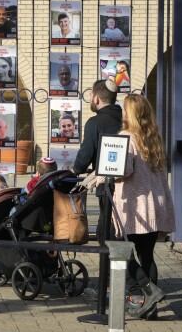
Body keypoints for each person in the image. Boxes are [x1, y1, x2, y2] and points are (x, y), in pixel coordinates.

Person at [112, 94, 176, 319]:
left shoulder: (126, 138)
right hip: (155, 205)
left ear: (129, 114)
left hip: (134, 208)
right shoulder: (153, 138)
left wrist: (106, 173)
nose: (121, 113)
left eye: (123, 109)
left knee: (120, 253)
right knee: (147, 255)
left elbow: (124, 171)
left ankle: (149, 290)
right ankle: (151, 308)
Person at [72, 80, 122, 244]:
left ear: (96, 99)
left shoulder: (95, 123)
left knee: (106, 236)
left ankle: (125, 269)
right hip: (129, 186)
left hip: (107, 186)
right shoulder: (126, 120)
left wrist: (76, 169)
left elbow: (85, 156)